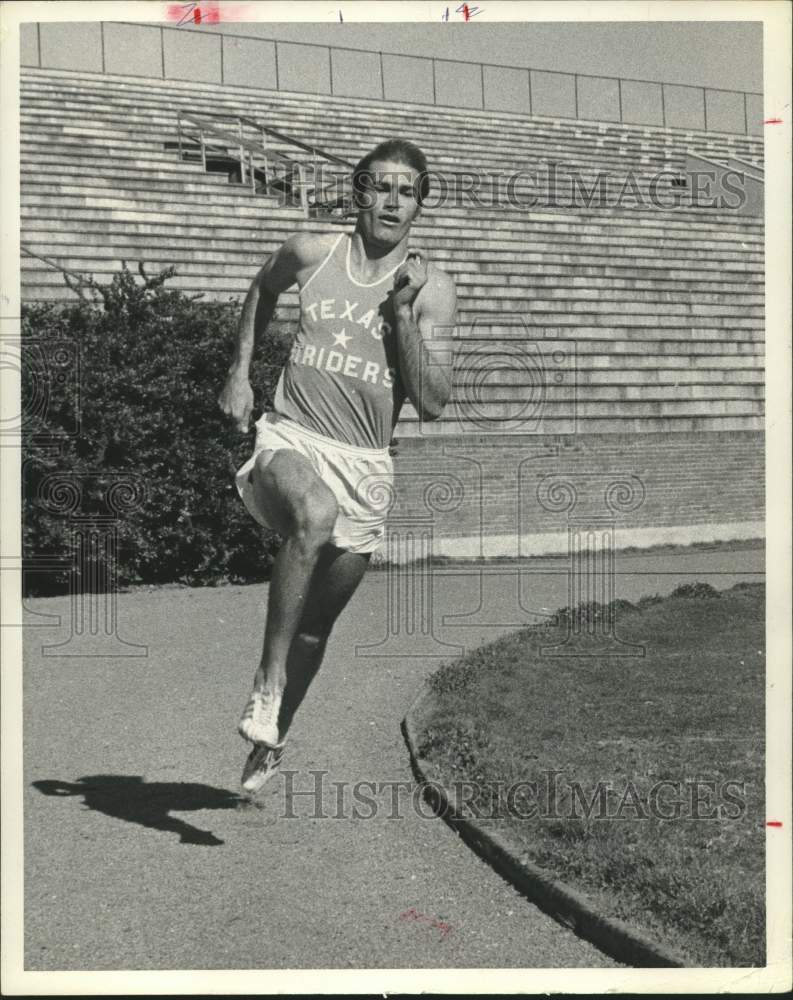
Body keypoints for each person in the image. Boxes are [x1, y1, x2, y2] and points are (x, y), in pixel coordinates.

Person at [218, 139, 457, 795]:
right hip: (291, 436)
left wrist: (401, 313)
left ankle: (271, 739)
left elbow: (433, 401)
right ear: (358, 193)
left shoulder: (432, 290)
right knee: (312, 514)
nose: (391, 201)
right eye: (380, 187)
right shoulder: (311, 253)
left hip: (366, 463)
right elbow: (260, 288)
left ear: (418, 206)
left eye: (406, 192)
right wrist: (238, 374)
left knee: (317, 630)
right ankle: (265, 683)